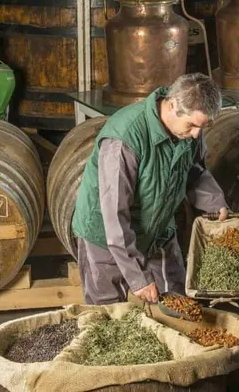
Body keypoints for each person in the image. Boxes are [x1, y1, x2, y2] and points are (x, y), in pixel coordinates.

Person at [71, 73, 230, 305]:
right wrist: (138, 278)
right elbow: (115, 216)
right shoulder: (125, 139)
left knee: (178, 302)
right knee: (108, 316)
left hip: (158, 229)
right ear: (173, 104)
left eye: (201, 126)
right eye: (192, 125)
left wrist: (215, 202)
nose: (196, 133)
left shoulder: (188, 131)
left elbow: (193, 170)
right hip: (106, 236)